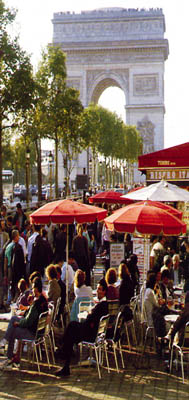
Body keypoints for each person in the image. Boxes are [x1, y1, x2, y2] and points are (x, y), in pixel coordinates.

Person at [55, 278, 108, 377]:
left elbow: (90, 318)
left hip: (90, 334)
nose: (97, 291)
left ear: (104, 291)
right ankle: (65, 356)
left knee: (71, 329)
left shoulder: (102, 306)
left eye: (100, 289)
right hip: (92, 331)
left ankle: (64, 355)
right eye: (97, 289)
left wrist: (89, 313)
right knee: (71, 328)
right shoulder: (104, 305)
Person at [0, 277, 48, 370]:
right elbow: (30, 317)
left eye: (33, 288)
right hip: (38, 331)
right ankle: (7, 347)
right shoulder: (42, 300)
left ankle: (10, 358)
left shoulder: (36, 304)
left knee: (12, 332)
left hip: (32, 333)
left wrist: (18, 323)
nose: (32, 290)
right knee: (14, 318)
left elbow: (27, 322)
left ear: (36, 289)